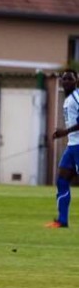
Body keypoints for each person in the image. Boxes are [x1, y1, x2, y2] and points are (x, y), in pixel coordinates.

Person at [48, 69, 79, 228]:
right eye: (64, 79)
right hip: (72, 146)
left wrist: (65, 132)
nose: (66, 81)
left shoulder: (76, 97)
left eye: (69, 79)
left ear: (76, 81)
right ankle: (62, 220)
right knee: (62, 180)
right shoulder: (67, 99)